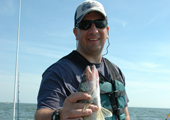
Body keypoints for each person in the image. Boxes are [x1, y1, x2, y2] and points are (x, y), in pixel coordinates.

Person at [34, 0, 130, 120]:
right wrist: (60, 115)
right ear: (76, 33)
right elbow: (40, 115)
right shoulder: (58, 72)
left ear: (107, 31)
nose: (94, 30)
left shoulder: (116, 71)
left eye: (100, 23)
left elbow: (125, 115)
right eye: (85, 24)